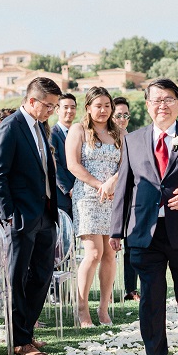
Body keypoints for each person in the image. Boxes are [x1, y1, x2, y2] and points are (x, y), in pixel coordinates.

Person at [109, 78, 178, 355]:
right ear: (147, 105)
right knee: (150, 297)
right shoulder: (132, 140)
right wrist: (117, 230)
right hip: (144, 232)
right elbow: (125, 187)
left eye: (168, 99)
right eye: (156, 100)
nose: (162, 105)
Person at [0, 77, 60, 355]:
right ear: (32, 101)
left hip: (44, 213)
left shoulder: (39, 127)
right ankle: (19, 340)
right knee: (17, 278)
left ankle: (27, 332)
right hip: (21, 216)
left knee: (42, 275)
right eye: (48, 106)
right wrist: (10, 215)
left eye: (53, 107)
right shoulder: (11, 127)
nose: (50, 111)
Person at [66, 87, 120, 327]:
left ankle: (104, 309)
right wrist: (100, 184)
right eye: (98, 106)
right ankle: (82, 307)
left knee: (110, 252)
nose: (103, 110)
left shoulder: (119, 132)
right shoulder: (78, 130)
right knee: (94, 253)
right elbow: (72, 164)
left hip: (114, 197)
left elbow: (128, 163)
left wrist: (113, 183)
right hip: (87, 196)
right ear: (88, 107)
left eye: (107, 105)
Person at [112, 96, 139, 301]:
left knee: (131, 246)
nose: (122, 119)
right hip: (108, 196)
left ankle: (131, 289)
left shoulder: (132, 138)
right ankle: (108, 291)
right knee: (108, 248)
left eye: (125, 115)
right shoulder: (105, 138)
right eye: (118, 115)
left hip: (129, 198)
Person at [50, 93, 77, 219]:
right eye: (65, 107)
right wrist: (69, 189)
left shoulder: (79, 133)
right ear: (57, 110)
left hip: (80, 194)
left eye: (73, 107)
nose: (69, 111)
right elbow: (55, 164)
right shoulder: (51, 134)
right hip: (62, 196)